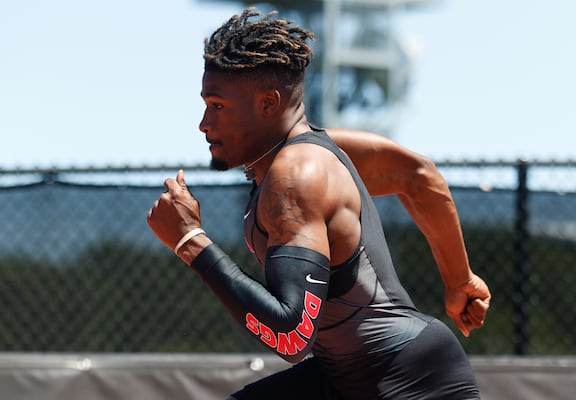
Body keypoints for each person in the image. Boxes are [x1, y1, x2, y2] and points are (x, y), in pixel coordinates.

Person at [147, 7, 491, 400]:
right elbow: (418, 176)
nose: (204, 123)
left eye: (218, 106)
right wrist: (460, 281)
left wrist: (190, 240)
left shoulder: (296, 177)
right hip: (347, 375)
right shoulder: (316, 150)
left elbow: (290, 337)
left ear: (268, 104)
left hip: (407, 381)